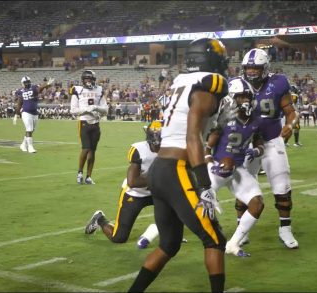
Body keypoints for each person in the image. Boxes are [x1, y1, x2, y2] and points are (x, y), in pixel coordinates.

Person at [128, 37, 228, 293]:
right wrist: (205, 185)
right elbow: (192, 136)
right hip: (177, 169)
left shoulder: (182, 81)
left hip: (159, 169)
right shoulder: (209, 85)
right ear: (212, 60)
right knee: (214, 239)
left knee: (169, 244)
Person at [241, 48, 299, 249]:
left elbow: (291, 112)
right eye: (248, 68)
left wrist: (290, 125)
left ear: (264, 68)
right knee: (243, 186)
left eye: (255, 68)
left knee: (282, 186)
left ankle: (285, 229)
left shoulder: (278, 82)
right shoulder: (238, 85)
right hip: (247, 143)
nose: (251, 72)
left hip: (272, 140)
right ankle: (242, 228)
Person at [205, 77, 265, 257]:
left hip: (237, 168)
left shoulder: (255, 119)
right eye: (241, 97)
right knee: (198, 204)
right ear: (232, 98)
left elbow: (259, 143)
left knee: (257, 203)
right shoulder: (223, 117)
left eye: (247, 96)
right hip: (217, 167)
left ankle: (233, 243)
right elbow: (207, 147)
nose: (245, 100)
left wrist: (256, 150)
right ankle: (163, 230)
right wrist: (210, 165)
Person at [84, 121, 162, 249]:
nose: (158, 146)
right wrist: (159, 180)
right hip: (135, 193)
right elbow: (132, 182)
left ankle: (171, 234)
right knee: (119, 238)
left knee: (178, 208)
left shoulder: (172, 149)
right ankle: (100, 219)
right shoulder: (139, 149)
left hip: (157, 192)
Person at [70, 70, 108, 184]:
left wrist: (96, 108)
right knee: (85, 148)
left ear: (94, 80)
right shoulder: (77, 90)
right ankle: (80, 173)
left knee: (92, 151)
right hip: (84, 122)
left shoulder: (99, 90)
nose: (88, 81)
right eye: (86, 79)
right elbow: (73, 110)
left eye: (90, 79)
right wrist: (86, 109)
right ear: (82, 79)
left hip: (96, 124)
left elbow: (105, 110)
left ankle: (88, 176)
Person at [13, 75, 54, 153]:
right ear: (22, 83)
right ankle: (30, 147)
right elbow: (19, 103)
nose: (27, 83)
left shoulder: (34, 87)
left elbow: (39, 89)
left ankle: (23, 145)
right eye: (25, 82)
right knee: (29, 129)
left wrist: (47, 84)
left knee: (31, 130)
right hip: (26, 112)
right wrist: (16, 114)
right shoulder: (20, 91)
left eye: (27, 82)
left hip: (35, 113)